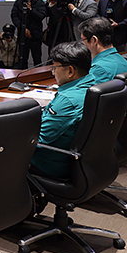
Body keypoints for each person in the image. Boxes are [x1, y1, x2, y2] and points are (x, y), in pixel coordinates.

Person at [30, 41, 95, 178]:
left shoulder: (67, 100)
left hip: (49, 164)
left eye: (55, 68)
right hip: (86, 163)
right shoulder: (93, 85)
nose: (53, 72)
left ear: (70, 71)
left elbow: (39, 140)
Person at [79, 17, 127, 84]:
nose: (82, 44)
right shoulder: (122, 60)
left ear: (94, 40)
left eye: (83, 40)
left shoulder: (99, 69)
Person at [11, 0, 47, 68]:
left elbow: (41, 16)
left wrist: (31, 10)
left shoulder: (39, 2)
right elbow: (14, 16)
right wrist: (22, 28)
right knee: (22, 59)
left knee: (37, 59)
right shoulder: (19, 2)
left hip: (35, 35)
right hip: (23, 35)